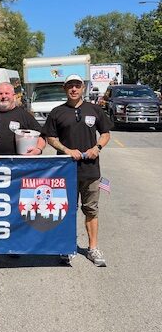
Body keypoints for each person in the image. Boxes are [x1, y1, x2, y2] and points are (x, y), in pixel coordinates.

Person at [43, 74, 111, 267]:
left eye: (77, 86)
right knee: (66, 210)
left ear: (83, 88)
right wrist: (66, 150)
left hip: (90, 171)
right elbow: (50, 137)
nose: (74, 89)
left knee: (91, 209)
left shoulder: (95, 110)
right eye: (70, 86)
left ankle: (93, 248)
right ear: (65, 89)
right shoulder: (57, 112)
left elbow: (106, 134)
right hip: (65, 170)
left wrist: (96, 148)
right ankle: (66, 247)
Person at [0, 82, 46, 156]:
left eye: (7, 93)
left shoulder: (23, 115)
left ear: (14, 96)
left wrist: (38, 150)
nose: (3, 96)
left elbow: (41, 136)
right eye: (0, 94)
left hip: (16, 164)